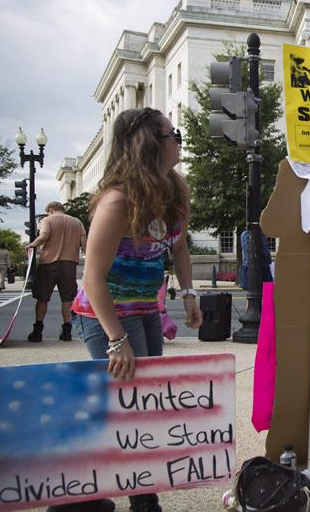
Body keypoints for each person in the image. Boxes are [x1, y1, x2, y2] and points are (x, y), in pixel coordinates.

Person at [67, 107, 203, 512]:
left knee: (146, 405)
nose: (178, 139)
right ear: (148, 142)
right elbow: (92, 278)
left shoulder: (175, 189)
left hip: (145, 309)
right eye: (171, 133)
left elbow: (178, 247)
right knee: (129, 407)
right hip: (105, 315)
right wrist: (116, 340)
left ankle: (142, 493)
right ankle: (119, 496)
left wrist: (190, 293)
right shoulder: (117, 201)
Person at [26, 202, 87, 342]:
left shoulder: (47, 220)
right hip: (69, 264)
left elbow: (44, 236)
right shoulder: (77, 222)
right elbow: (84, 242)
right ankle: (67, 332)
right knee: (67, 299)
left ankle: (37, 331)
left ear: (51, 210)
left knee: (42, 298)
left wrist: (32, 245)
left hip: (48, 263)